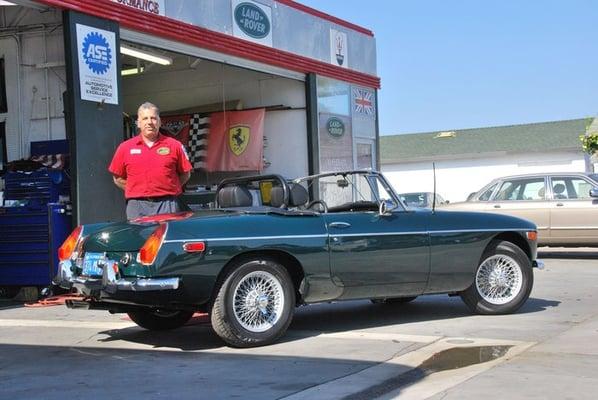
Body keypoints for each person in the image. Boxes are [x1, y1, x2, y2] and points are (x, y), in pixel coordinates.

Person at [109, 102, 192, 219]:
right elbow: (117, 178)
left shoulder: (175, 145)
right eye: (145, 118)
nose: (149, 122)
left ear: (159, 121)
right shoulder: (125, 148)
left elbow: (185, 174)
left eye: (153, 118)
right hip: (137, 206)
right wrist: (137, 188)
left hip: (168, 203)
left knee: (165, 237)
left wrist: (168, 187)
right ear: (138, 123)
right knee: (139, 237)